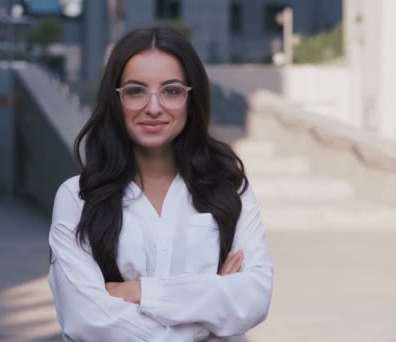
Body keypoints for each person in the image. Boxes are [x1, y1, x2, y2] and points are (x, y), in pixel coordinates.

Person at [48, 26, 273, 342]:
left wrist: (141, 292)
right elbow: (87, 320)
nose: (153, 107)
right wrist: (206, 322)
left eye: (171, 90)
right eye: (136, 91)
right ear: (116, 99)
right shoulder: (78, 198)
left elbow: (253, 297)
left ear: (191, 98)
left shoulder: (229, 189)